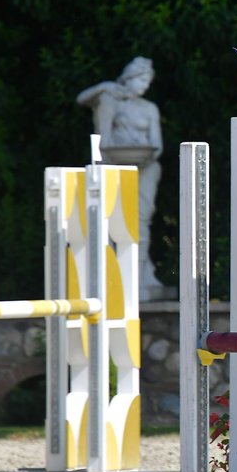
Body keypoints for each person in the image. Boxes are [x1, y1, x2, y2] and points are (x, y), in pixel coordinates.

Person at [76, 56, 170, 298]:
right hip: (115, 165)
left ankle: (139, 271)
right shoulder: (110, 100)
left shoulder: (149, 108)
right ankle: (116, 271)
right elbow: (83, 102)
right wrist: (104, 87)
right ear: (128, 79)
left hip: (146, 166)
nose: (144, 86)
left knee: (141, 218)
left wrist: (144, 155)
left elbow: (157, 146)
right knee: (111, 218)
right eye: (141, 80)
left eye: (147, 81)